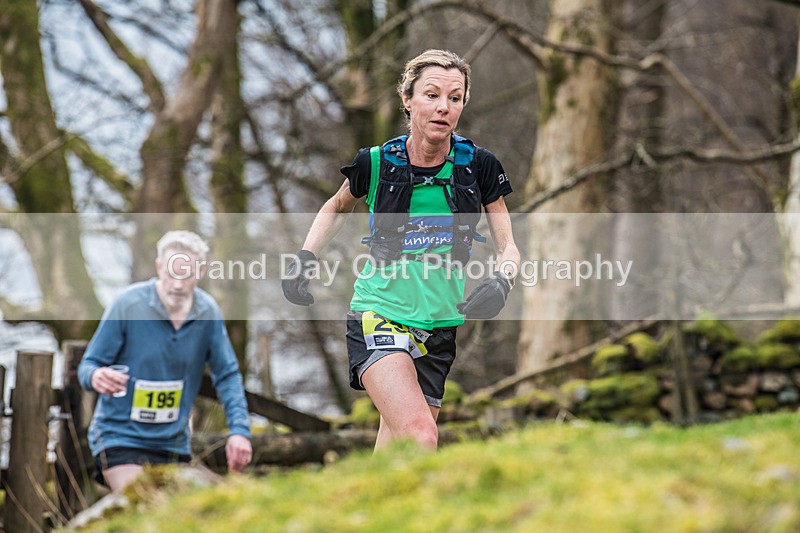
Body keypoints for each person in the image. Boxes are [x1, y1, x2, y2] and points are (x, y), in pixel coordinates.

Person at [282, 49, 520, 450]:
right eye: (431, 94)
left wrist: (502, 283)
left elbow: (509, 246)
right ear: (407, 100)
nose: (444, 107)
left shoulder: (479, 166)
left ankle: (367, 513)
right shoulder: (375, 163)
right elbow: (337, 205)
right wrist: (305, 258)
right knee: (421, 436)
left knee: (396, 455)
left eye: (455, 97)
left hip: (440, 326)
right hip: (381, 314)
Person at [78, 230, 252, 491]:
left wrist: (239, 431)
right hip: (119, 438)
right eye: (172, 273)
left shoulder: (208, 313)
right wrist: (95, 376)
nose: (179, 285)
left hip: (173, 444)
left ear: (201, 271)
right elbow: (88, 365)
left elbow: (227, 375)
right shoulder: (127, 305)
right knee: (144, 502)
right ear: (159, 267)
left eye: (187, 274)